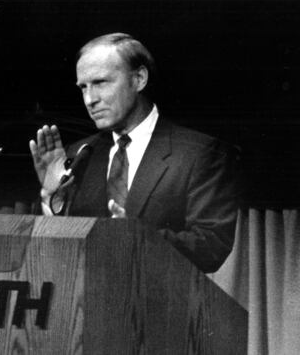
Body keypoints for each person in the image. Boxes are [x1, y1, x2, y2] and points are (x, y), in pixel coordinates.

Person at [29, 33, 239, 273]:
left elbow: (211, 247)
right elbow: (50, 252)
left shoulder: (200, 153)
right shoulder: (79, 155)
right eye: (83, 87)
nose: (89, 99)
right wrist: (52, 200)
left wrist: (133, 237)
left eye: (100, 83)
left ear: (139, 79)